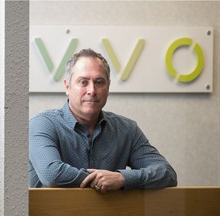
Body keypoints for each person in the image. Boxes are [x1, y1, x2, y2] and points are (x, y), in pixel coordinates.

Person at [29, 48, 177, 193]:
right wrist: (103, 180)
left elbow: (167, 173)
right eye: (83, 82)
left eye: (99, 82)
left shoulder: (126, 129)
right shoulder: (42, 124)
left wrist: (122, 179)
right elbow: (52, 175)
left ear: (108, 87)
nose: (92, 90)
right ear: (67, 87)